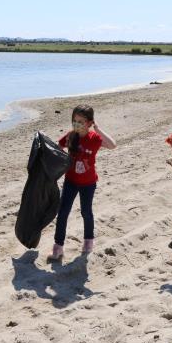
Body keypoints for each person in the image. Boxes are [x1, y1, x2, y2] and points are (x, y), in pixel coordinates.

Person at [49, 105, 116, 260]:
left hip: (88, 183)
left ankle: (88, 243)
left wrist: (98, 129)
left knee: (86, 212)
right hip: (70, 181)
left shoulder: (94, 138)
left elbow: (113, 145)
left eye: (81, 121)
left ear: (89, 123)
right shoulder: (71, 136)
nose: (76, 124)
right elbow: (57, 148)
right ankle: (58, 248)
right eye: (74, 121)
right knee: (63, 213)